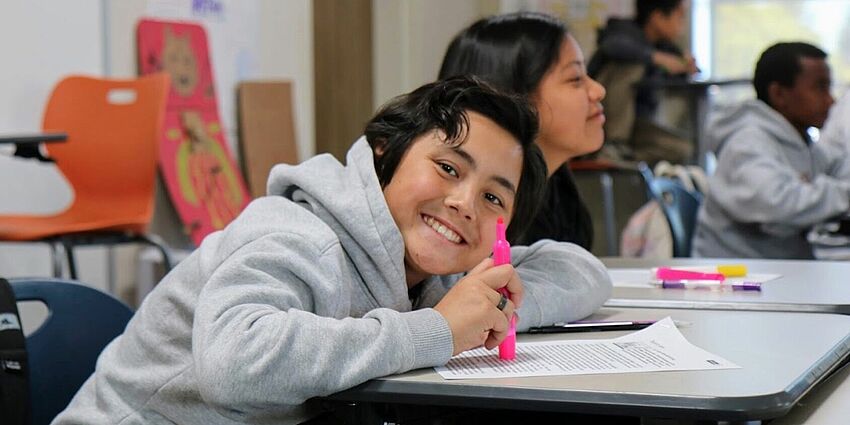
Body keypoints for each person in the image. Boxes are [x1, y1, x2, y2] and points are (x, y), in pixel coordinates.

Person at [53, 77, 612, 424]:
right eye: (447, 168)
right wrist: (440, 329)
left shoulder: (433, 262)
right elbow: (232, 363)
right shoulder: (302, 232)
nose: (465, 203)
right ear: (385, 152)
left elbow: (582, 270)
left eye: (494, 196)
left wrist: (492, 308)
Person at [438, 12, 607, 249]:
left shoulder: (561, 195)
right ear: (515, 98)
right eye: (576, 78)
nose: (598, 91)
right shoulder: (466, 216)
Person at [692, 42, 850, 259]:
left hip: (776, 272)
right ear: (779, 94)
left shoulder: (799, 141)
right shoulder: (747, 143)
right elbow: (778, 205)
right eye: (819, 87)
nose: (831, 100)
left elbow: (834, 166)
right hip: (736, 280)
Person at [588, 0, 698, 164]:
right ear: (658, 17)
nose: (681, 25)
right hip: (602, 118)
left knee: (683, 149)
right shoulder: (622, 31)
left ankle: (618, 159)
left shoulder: (664, 46)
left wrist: (686, 66)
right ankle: (614, 145)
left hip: (635, 125)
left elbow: (683, 74)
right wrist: (657, 58)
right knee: (632, 63)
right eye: (679, 16)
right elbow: (612, 46)